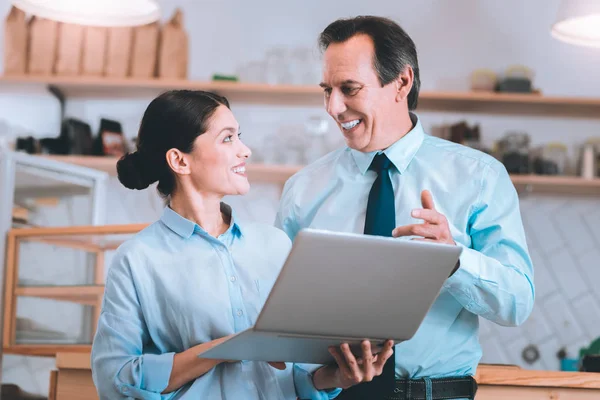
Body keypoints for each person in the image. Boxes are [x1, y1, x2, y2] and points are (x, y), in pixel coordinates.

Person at [275, 16, 535, 400]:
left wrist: (454, 259)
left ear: (401, 82)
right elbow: (280, 317)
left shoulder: (479, 176)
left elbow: (517, 304)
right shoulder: (302, 190)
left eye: (349, 88)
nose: (333, 107)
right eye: (326, 90)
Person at [90, 90, 394, 399]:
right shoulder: (137, 259)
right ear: (180, 160)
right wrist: (217, 351)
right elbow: (113, 378)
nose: (245, 150)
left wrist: (335, 376)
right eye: (227, 139)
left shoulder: (274, 245)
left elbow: (293, 376)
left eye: (240, 137)